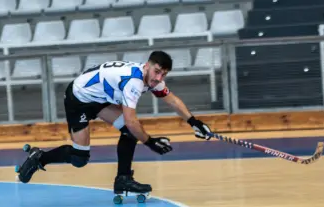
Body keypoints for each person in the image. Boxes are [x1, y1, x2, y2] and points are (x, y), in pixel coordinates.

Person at [16, 50, 213, 196]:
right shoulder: (133, 83)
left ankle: (123, 179)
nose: (158, 78)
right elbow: (131, 120)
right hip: (79, 98)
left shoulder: (152, 79)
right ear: (147, 66)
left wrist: (194, 122)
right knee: (79, 158)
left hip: (100, 99)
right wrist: (151, 142)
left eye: (163, 75)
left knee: (130, 132)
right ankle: (39, 158)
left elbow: (172, 100)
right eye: (157, 72)